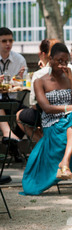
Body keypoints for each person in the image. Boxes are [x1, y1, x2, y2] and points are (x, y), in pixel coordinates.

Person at [20, 43, 72, 196]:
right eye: (59, 60)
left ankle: (65, 163)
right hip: (52, 126)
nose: (62, 64)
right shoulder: (40, 81)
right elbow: (46, 108)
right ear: (50, 59)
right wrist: (69, 108)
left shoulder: (69, 78)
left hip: (71, 124)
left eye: (65, 61)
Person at [16, 38, 62, 142]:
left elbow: (33, 104)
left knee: (19, 115)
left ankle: (47, 144)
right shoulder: (70, 68)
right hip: (66, 113)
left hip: (47, 115)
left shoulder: (39, 74)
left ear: (43, 54)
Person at [0, 27, 28, 163]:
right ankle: (11, 141)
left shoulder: (19, 59)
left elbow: (24, 85)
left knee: (26, 114)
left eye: (10, 40)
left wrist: (19, 79)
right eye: (4, 41)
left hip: (12, 100)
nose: (8, 44)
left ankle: (11, 141)